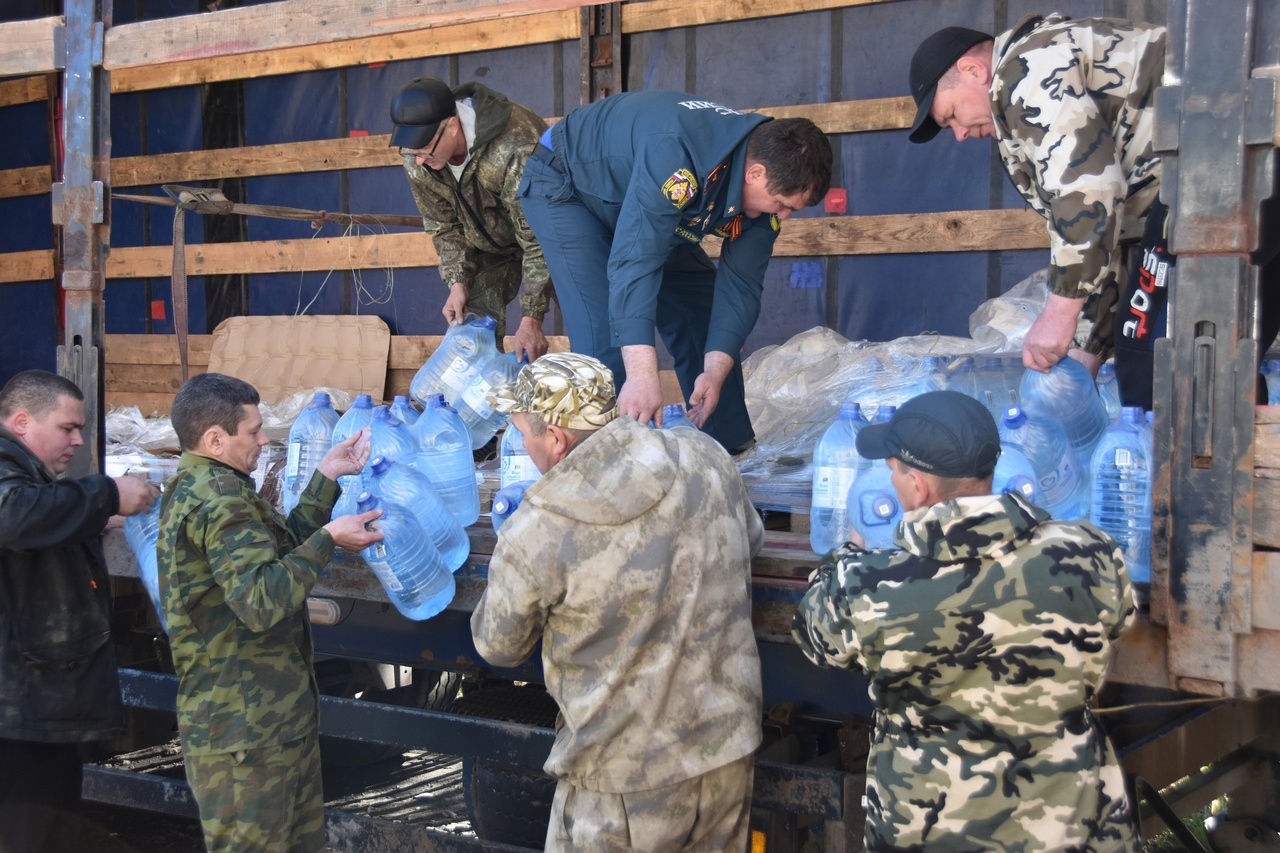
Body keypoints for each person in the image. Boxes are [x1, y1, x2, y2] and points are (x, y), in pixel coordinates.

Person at [791, 390, 1138, 851]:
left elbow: (814, 636)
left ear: (917, 487)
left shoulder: (868, 586)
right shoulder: (1088, 552)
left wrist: (850, 550)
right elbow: (1120, 620)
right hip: (1075, 827)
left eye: (892, 470)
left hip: (930, 832)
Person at [471, 352, 765, 852]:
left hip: (622, 783)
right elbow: (749, 538)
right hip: (726, 757)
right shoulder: (706, 458)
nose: (520, 442)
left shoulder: (539, 526)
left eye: (522, 430)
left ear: (557, 439)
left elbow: (498, 646)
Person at [517, 90, 833, 452]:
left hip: (639, 201)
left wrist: (714, 373)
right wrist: (641, 374)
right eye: (782, 204)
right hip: (567, 184)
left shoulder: (762, 192)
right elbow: (636, 258)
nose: (784, 215)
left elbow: (741, 287)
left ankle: (728, 454)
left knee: (702, 312)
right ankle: (607, 463)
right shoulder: (679, 156)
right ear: (755, 173)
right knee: (603, 336)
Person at [156, 373, 382, 853]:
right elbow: (262, 601)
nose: (264, 440)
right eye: (254, 431)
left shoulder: (217, 486)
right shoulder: (218, 500)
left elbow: (275, 555)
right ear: (215, 439)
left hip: (268, 726)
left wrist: (324, 479)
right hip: (245, 736)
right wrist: (329, 540)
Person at [909, 16, 1173, 407]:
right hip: (1217, 175)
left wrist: (1058, 314)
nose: (960, 133)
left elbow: (1087, 191)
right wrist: (1088, 350)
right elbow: (1108, 230)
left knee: (1156, 366)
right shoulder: (1032, 71)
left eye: (949, 116)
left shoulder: (1026, 70)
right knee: (1191, 362)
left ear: (972, 70)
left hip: (1218, 169)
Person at [0, 369, 159, 852]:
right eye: (67, 428)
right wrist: (107, 493)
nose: (76, 440)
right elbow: (14, 516)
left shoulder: (31, 476)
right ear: (23, 421)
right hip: (18, 708)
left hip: (36, 700)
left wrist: (91, 515)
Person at [390, 75, 554, 362]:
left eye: (423, 148)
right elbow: (444, 227)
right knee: (471, 330)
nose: (417, 159)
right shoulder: (420, 160)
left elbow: (541, 236)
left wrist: (532, 317)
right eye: (410, 150)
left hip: (556, 236)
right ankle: (489, 402)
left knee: (587, 318)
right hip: (490, 247)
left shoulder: (515, 145)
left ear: (451, 126)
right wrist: (458, 282)